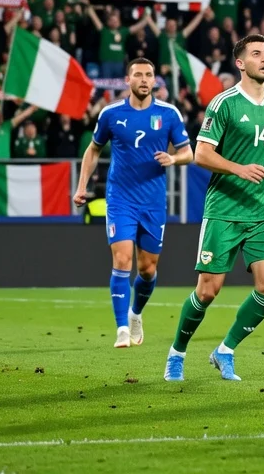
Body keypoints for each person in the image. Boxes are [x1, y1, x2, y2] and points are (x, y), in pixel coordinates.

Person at [164, 35, 264, 382]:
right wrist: (239, 168)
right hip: (224, 208)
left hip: (262, 212)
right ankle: (177, 353)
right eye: (257, 54)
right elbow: (201, 154)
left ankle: (225, 350)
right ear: (240, 63)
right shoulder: (223, 104)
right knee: (208, 290)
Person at [75, 59, 193, 349]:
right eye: (138, 74)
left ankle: (136, 313)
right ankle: (122, 330)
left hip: (152, 201)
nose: (143, 79)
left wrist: (173, 159)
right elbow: (93, 150)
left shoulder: (168, 114)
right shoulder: (111, 113)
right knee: (122, 260)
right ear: (128, 80)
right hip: (120, 199)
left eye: (149, 75)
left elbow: (188, 153)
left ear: (155, 81)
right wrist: (81, 187)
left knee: (148, 270)